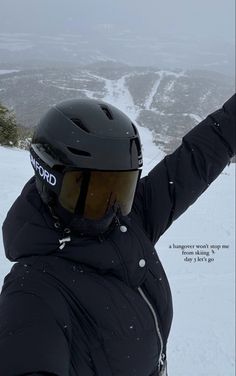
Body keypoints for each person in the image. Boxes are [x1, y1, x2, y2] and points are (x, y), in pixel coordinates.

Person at [0, 95, 235, 376]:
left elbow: (197, 157)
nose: (111, 208)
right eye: (95, 191)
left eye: (121, 189)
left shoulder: (128, 220)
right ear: (51, 181)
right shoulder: (32, 294)